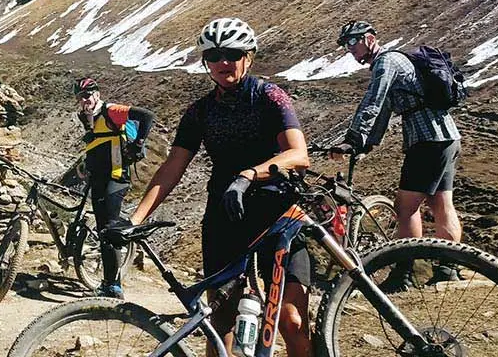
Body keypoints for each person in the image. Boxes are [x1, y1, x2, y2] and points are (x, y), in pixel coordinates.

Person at [127, 18, 312, 357]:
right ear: (205, 62)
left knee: (292, 320)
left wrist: (248, 175)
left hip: (277, 214)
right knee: (220, 321)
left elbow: (299, 155)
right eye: (214, 55)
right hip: (227, 217)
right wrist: (135, 219)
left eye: (232, 53)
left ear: (249, 57)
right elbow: (172, 168)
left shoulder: (269, 96)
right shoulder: (200, 112)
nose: (224, 62)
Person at [329, 20, 463, 289]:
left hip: (426, 140)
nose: (350, 49)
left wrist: (353, 138)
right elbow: (384, 113)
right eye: (346, 45)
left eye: (353, 42)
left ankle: (404, 273)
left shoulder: (386, 62)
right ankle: (448, 269)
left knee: (405, 206)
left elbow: (373, 101)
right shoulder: (396, 63)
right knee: (440, 204)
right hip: (446, 137)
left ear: (369, 39)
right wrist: (364, 145)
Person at [73, 77, 154, 298]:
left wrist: (138, 144)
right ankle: (110, 282)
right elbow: (98, 144)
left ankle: (112, 287)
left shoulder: (111, 111)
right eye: (81, 97)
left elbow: (147, 116)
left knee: (108, 230)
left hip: (115, 178)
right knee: (102, 229)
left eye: (88, 95)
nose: (85, 100)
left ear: (97, 94)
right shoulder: (86, 116)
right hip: (98, 177)